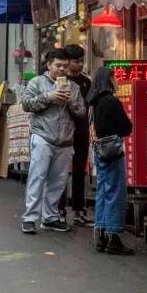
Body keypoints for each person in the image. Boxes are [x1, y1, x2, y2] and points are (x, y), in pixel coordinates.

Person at [19, 48, 86, 234]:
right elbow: (26, 104)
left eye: (65, 66)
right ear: (49, 65)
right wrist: (49, 97)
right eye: (58, 65)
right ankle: (30, 217)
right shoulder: (37, 82)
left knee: (58, 181)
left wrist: (71, 101)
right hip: (42, 136)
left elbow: (82, 112)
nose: (62, 69)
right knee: (37, 177)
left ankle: (50, 217)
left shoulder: (74, 87)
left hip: (65, 140)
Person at [88, 68, 134, 255]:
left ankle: (101, 235)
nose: (117, 81)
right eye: (115, 78)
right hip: (112, 150)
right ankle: (114, 236)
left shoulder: (93, 102)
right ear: (109, 80)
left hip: (98, 149)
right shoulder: (111, 101)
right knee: (115, 192)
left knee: (103, 191)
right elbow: (126, 127)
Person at [61, 44, 92, 227]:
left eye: (81, 61)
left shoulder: (86, 82)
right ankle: (60, 209)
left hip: (82, 132)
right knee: (62, 172)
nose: (79, 65)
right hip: (64, 132)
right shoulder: (60, 81)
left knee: (80, 171)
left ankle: (79, 210)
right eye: (76, 61)